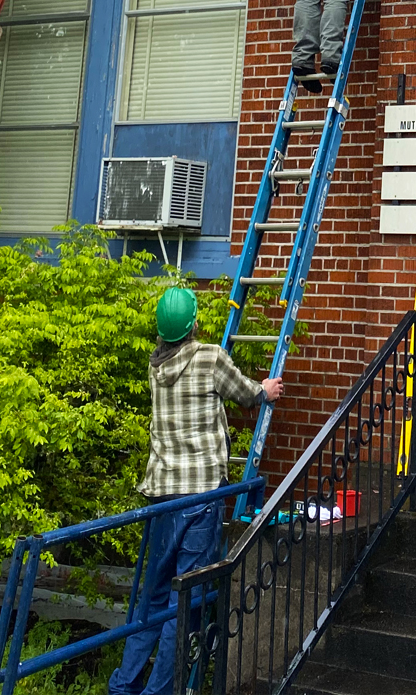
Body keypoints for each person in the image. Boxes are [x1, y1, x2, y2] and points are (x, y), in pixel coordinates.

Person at [109, 286, 284, 695]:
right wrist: (266, 390)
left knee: (152, 597)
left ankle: (124, 685)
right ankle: (157, 692)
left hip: (161, 496)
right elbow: (245, 393)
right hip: (201, 496)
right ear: (194, 324)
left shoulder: (156, 366)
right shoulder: (209, 357)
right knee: (182, 603)